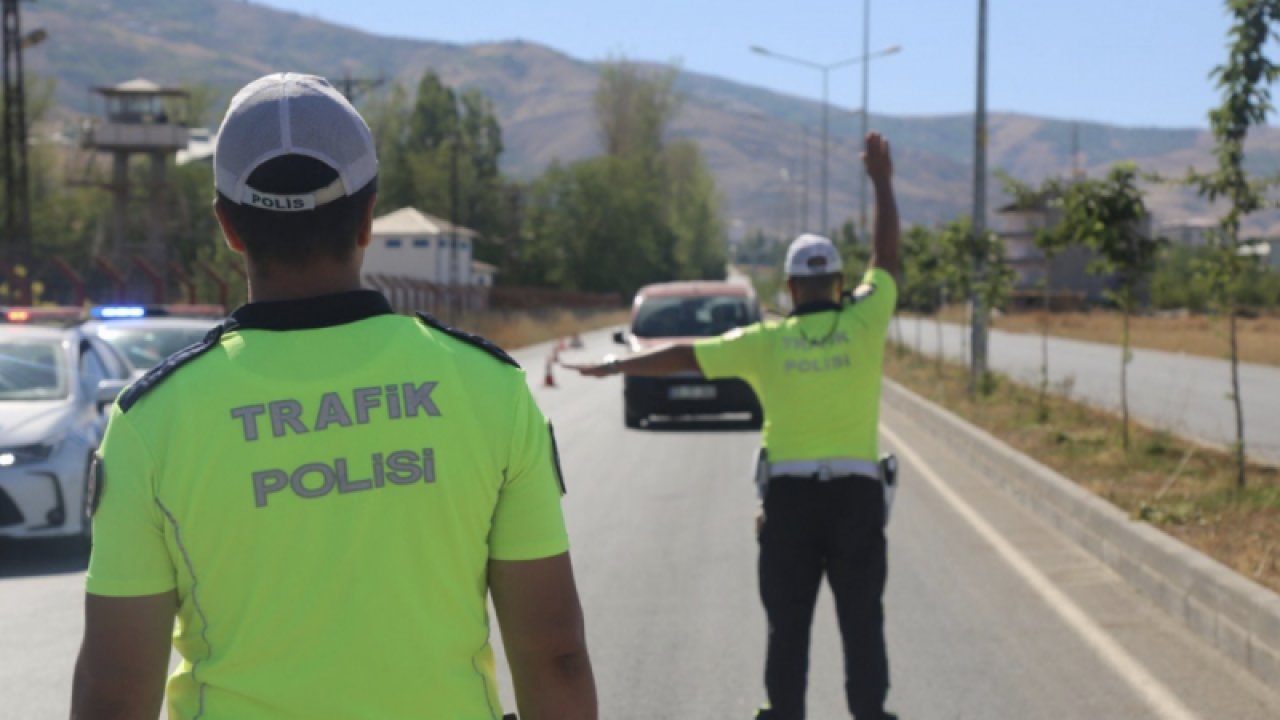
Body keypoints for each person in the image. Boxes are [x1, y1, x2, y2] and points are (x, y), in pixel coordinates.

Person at [71, 73, 597, 720]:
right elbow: (555, 657)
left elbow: (114, 694)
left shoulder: (150, 421)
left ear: (228, 227)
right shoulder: (490, 386)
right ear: (368, 217)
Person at [567, 132, 900, 720]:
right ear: (839, 284)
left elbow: (683, 354)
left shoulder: (765, 341)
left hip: (791, 502)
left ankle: (783, 712)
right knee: (862, 623)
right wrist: (881, 182)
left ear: (790, 288)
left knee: (787, 625)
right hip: (857, 499)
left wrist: (614, 364)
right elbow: (888, 258)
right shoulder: (866, 320)